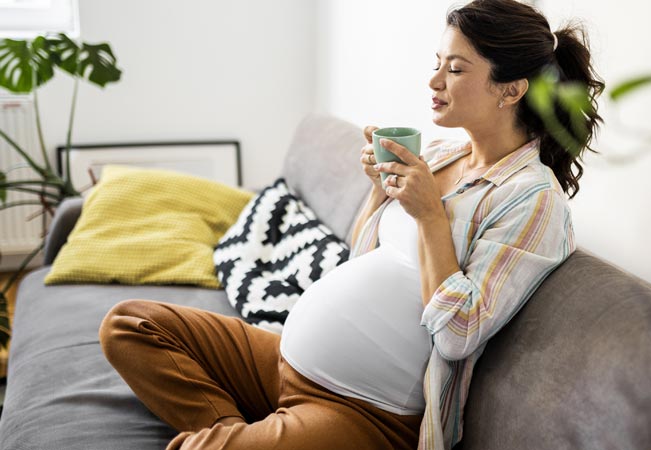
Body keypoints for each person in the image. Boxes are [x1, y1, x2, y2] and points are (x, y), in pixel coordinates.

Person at [98, 0, 604, 449]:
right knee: (129, 324)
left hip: (362, 410)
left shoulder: (533, 200)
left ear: (511, 89)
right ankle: (245, 430)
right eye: (436, 64)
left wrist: (430, 214)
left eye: (455, 69)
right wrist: (378, 193)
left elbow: (460, 333)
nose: (433, 82)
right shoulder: (443, 155)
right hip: (283, 361)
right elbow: (362, 260)